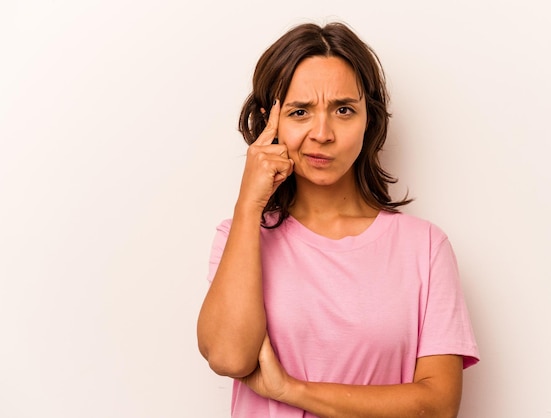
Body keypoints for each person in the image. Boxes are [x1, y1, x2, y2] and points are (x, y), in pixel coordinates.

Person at [197, 21, 479, 418]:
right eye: (300, 112)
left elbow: (437, 406)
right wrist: (249, 204)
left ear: (370, 120)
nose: (323, 133)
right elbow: (228, 357)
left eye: (343, 109)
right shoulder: (240, 237)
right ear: (270, 123)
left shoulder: (425, 248)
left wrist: (290, 390)